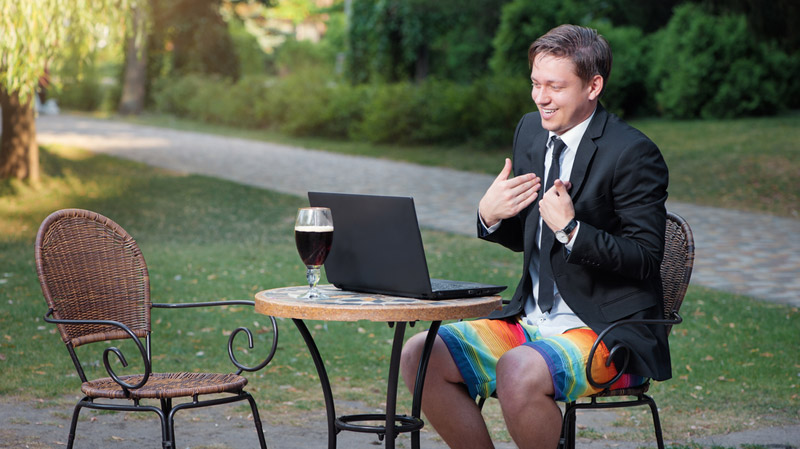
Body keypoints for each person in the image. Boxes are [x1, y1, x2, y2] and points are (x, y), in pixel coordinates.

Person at [400, 24, 670, 449]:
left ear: (593, 86)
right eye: (535, 83)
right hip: (533, 323)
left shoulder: (632, 153)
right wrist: (488, 216)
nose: (541, 98)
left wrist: (572, 230)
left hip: (608, 332)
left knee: (517, 370)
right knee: (420, 355)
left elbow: (645, 257)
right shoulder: (531, 130)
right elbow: (527, 232)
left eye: (555, 87)